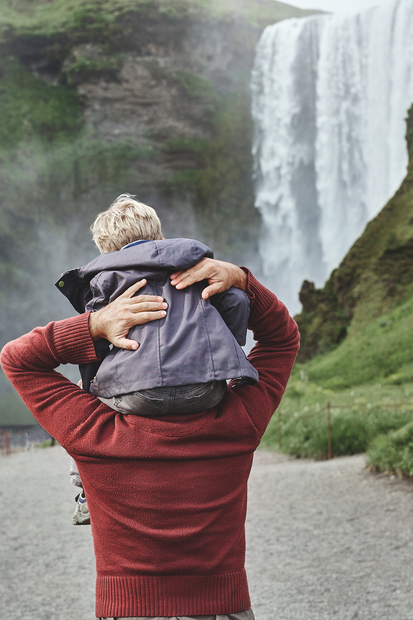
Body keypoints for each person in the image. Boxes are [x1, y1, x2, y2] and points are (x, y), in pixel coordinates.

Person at [0, 252, 300, 620]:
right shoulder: (238, 422)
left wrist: (95, 325)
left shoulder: (94, 433)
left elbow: (18, 360)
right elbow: (283, 338)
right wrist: (242, 281)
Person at [57, 194, 260, 525]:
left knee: (84, 398)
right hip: (204, 390)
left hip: (137, 394)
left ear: (106, 249)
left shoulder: (105, 278)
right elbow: (237, 300)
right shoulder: (196, 268)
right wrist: (222, 362)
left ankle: (84, 495)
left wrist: (91, 387)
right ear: (159, 236)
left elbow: (94, 340)